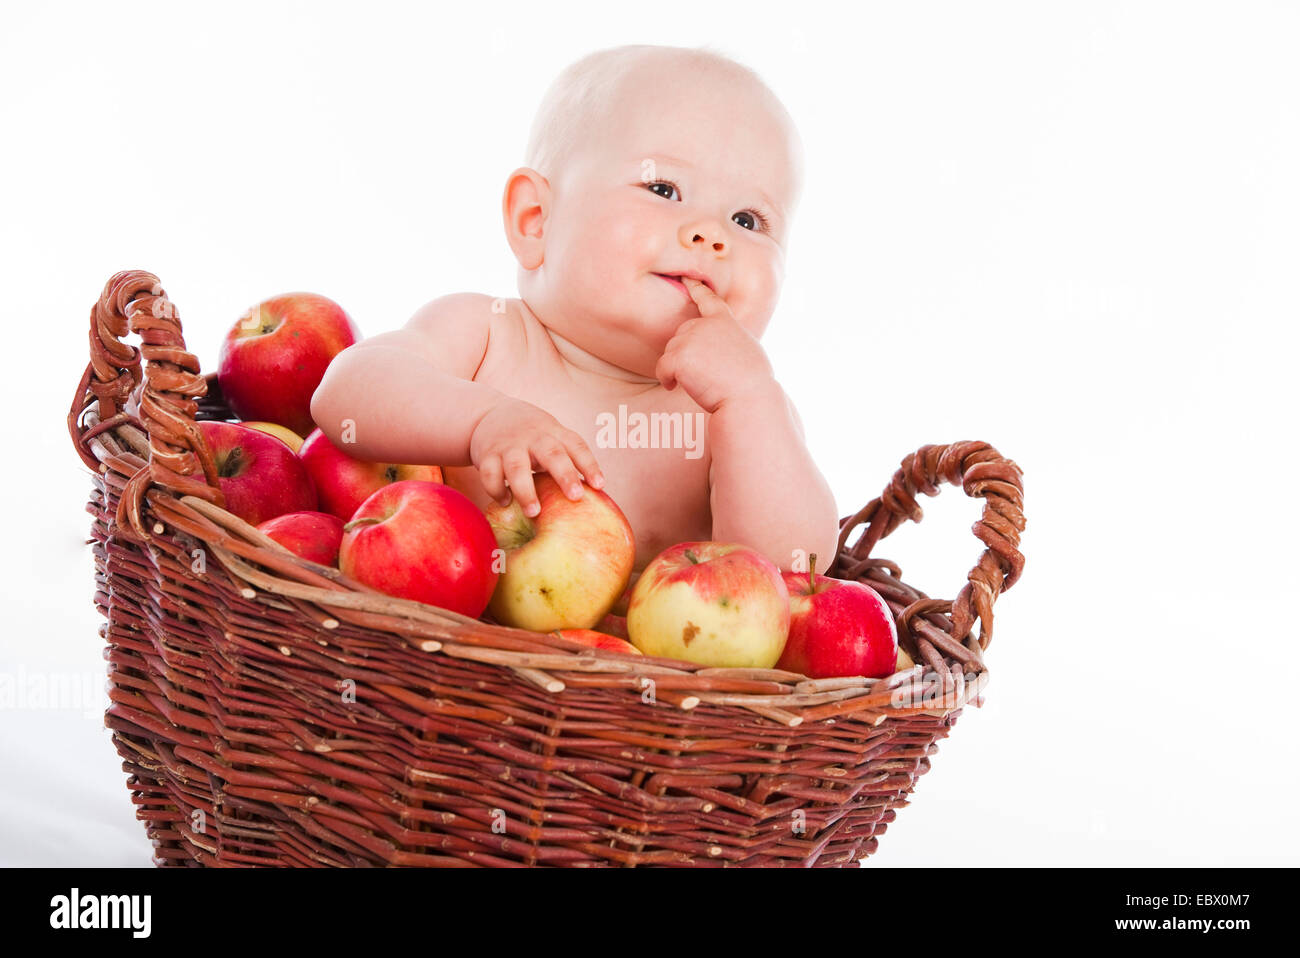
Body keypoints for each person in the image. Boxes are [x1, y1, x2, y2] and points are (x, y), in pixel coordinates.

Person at [311, 43, 839, 582]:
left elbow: (795, 574)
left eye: (748, 220)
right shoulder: (486, 335)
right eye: (663, 188)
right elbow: (345, 392)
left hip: (633, 662)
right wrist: (482, 420)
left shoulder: (733, 416)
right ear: (536, 220)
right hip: (441, 638)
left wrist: (750, 397)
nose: (712, 234)